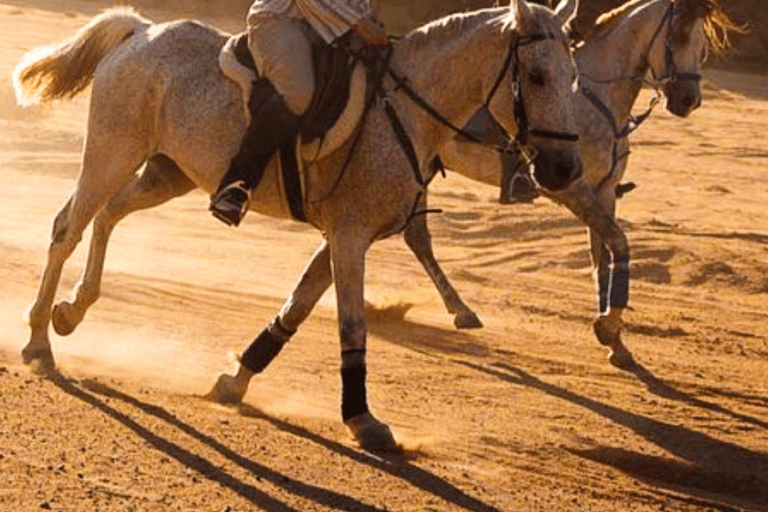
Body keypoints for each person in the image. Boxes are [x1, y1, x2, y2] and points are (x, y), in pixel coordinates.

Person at [210, 0, 389, 227]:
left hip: (323, 26)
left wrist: (370, 21)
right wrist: (359, 23)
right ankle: (235, 185)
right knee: (299, 95)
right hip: (280, 20)